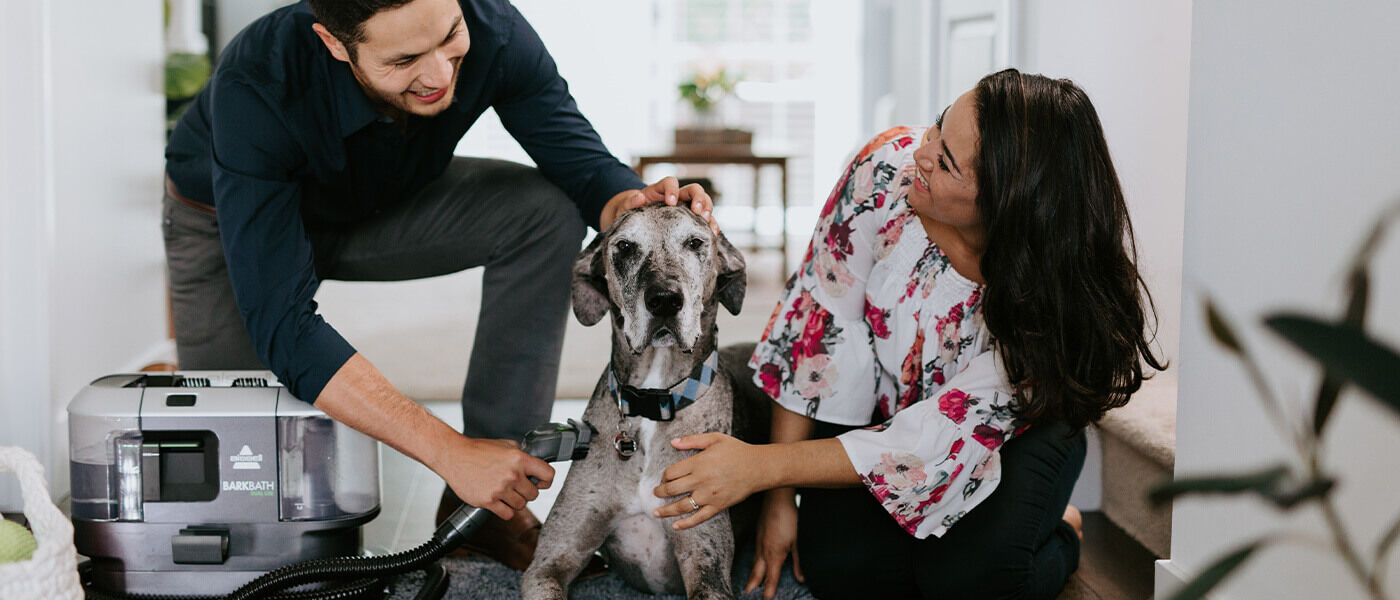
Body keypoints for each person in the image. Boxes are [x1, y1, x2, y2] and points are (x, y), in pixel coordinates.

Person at [162, 0, 715, 569]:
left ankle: (486, 511)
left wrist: (630, 204)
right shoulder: (258, 78)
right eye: (404, 60)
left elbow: (579, 161)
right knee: (231, 461)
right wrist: (448, 449)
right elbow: (285, 326)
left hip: (382, 204)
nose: (438, 75)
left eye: (450, 37)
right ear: (334, 44)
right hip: (227, 224)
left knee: (545, 211)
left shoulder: (492, 26)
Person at [648, 69, 1167, 599]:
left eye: (947, 161)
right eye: (939, 125)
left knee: (971, 580)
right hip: (890, 409)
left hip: (1016, 435)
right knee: (836, 569)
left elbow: (936, 436)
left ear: (1006, 202)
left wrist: (757, 468)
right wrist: (780, 501)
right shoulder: (885, 169)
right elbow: (820, 323)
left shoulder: (1046, 308)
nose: (922, 152)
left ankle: (1063, 530)